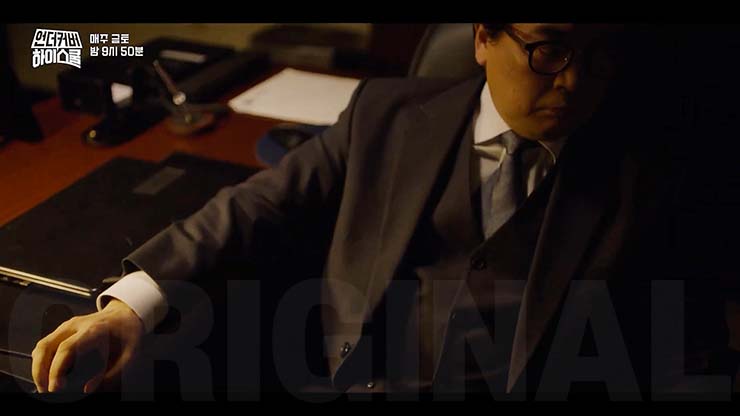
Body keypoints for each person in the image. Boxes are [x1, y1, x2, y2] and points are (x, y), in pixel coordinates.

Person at [30, 23, 740, 398]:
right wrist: (128, 308)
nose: (575, 80)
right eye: (550, 49)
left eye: (598, 52)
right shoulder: (387, 114)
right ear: (484, 37)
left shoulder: (658, 172)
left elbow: (692, 346)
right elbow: (257, 206)